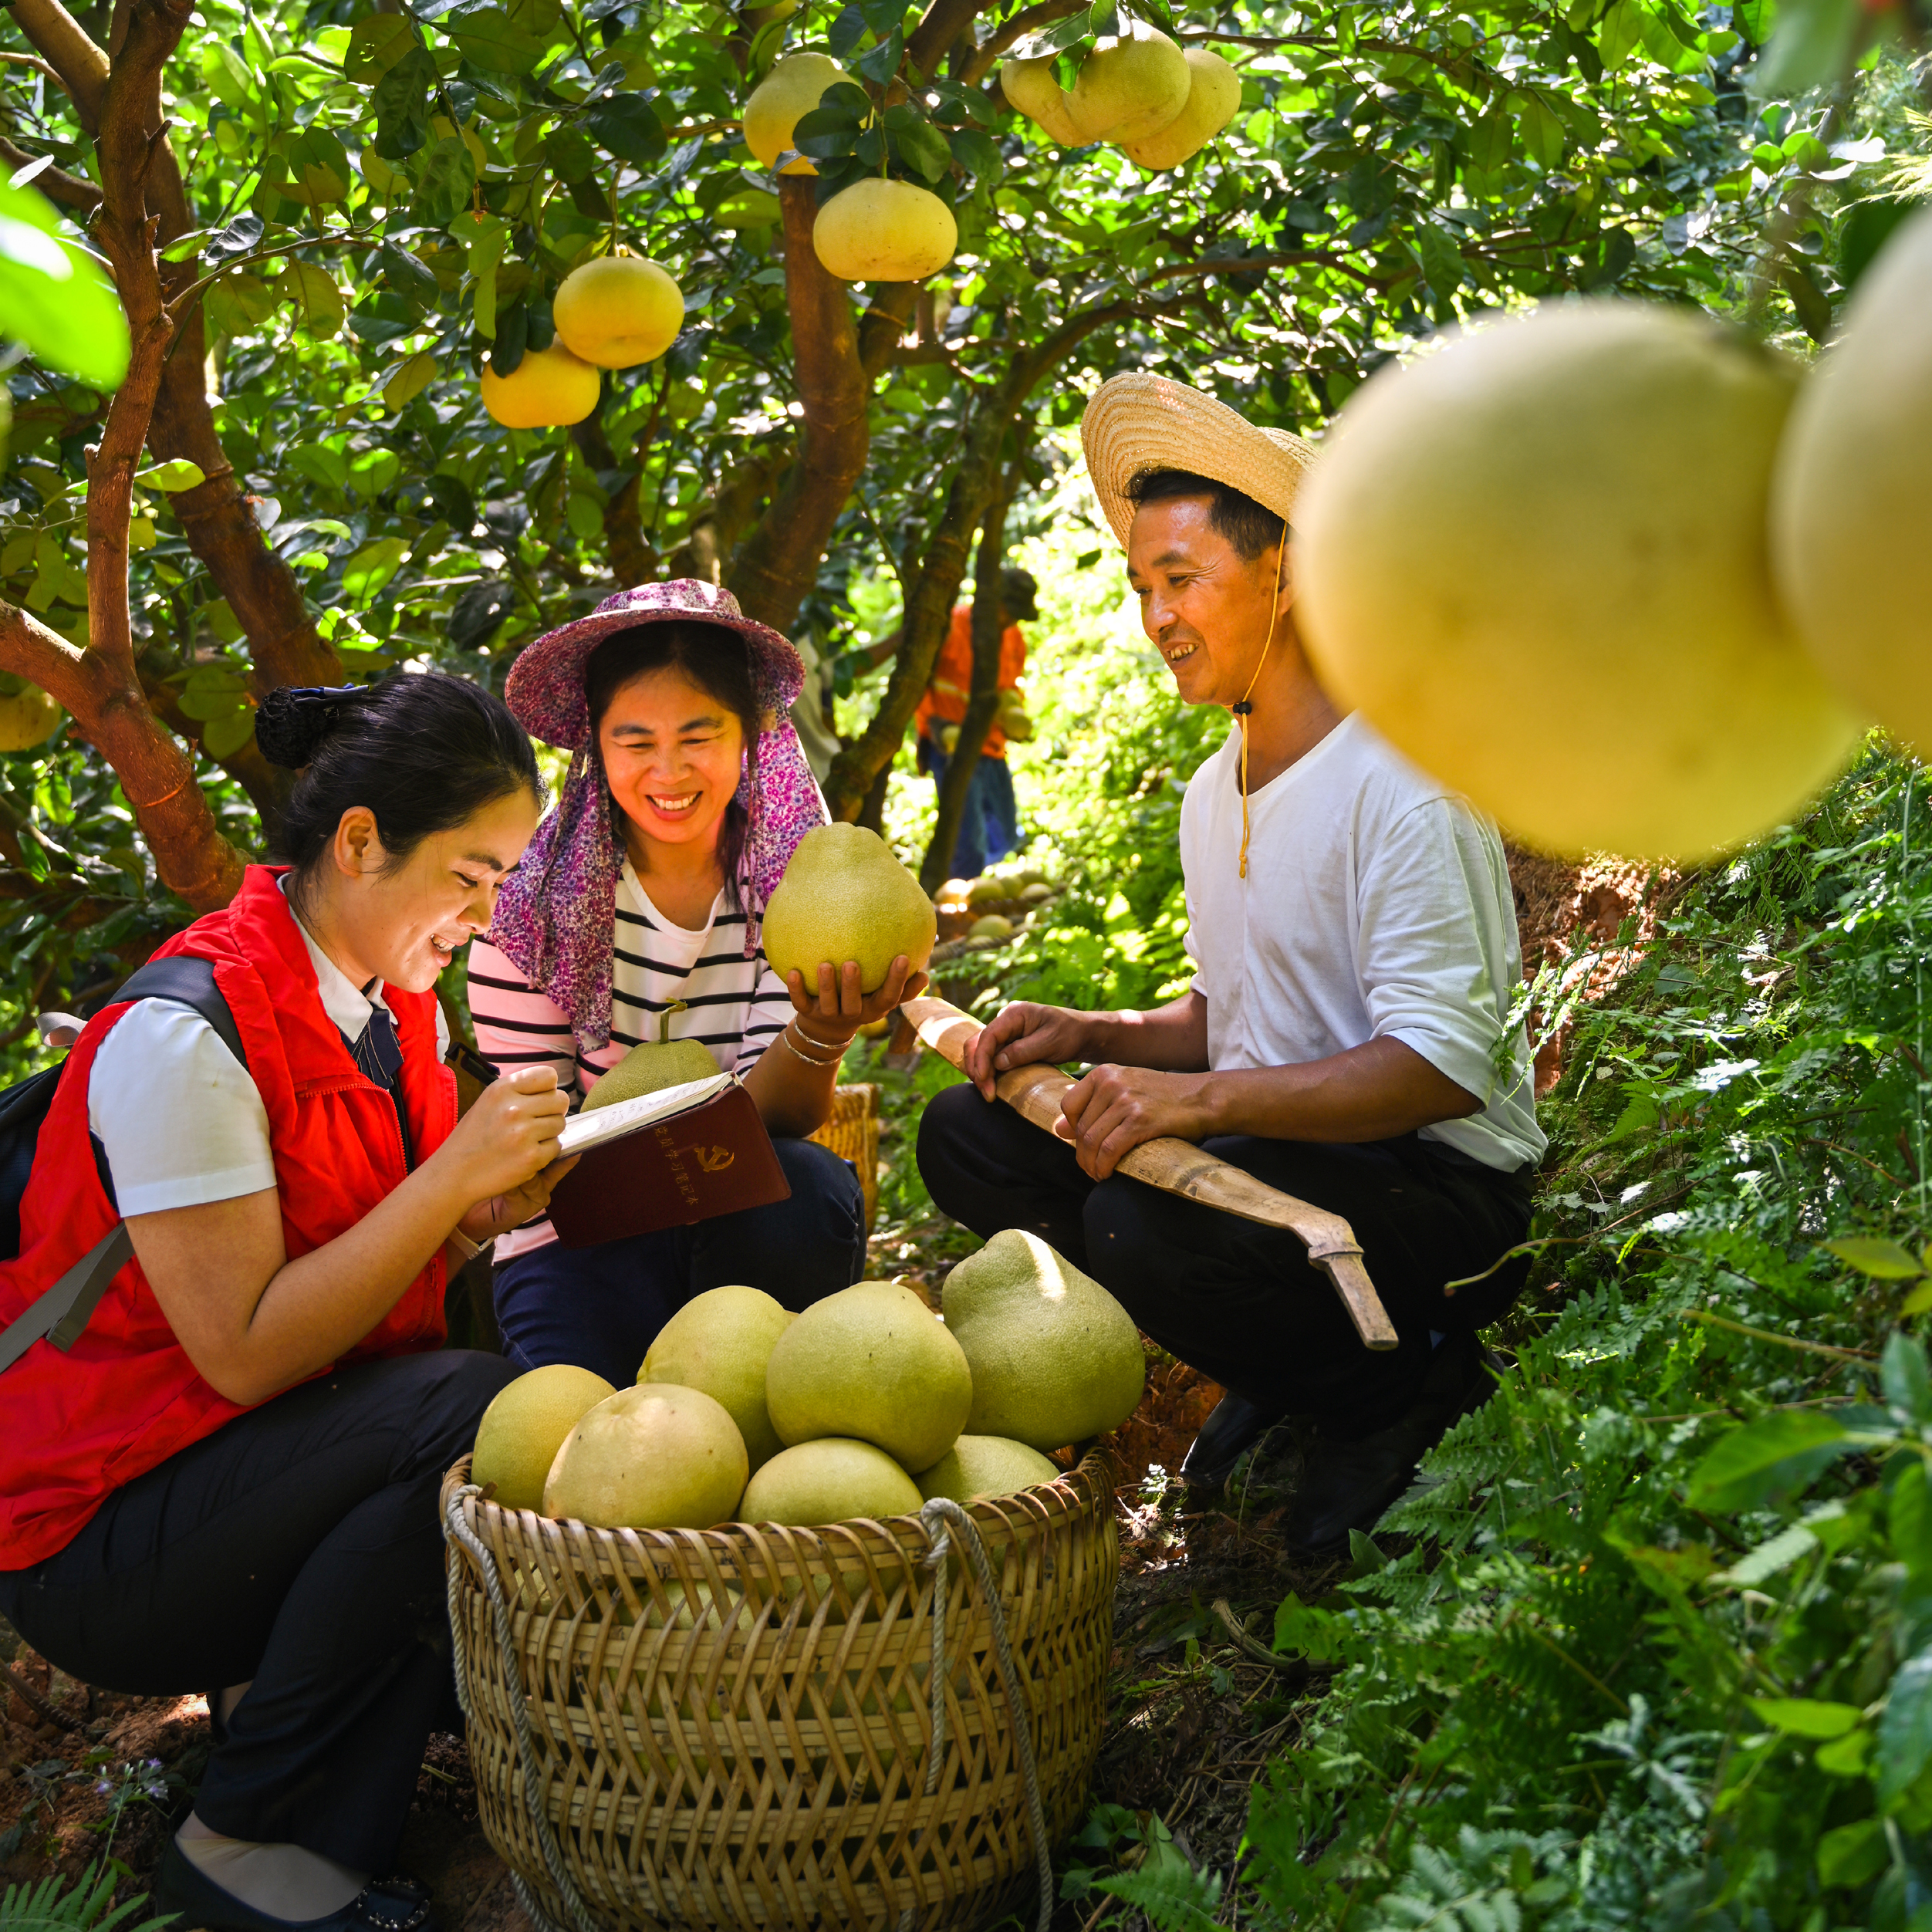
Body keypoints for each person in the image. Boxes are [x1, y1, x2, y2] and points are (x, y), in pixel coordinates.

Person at [917, 373, 1545, 1552]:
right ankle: (1293, 1354)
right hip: (1282, 1151)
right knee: (967, 1133)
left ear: (1286, 575)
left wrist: (1192, 1105)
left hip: (1437, 1195)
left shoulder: (1401, 784)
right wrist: (1099, 1038)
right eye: (1143, 586)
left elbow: (1438, 1069)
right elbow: (1232, 1016)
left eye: (1183, 578)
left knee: (1140, 1225)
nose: (1157, 615)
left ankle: (1396, 1386)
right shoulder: (1218, 791)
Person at [0, 675, 573, 1932]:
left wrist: (478, 1207)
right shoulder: (186, 1034)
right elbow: (248, 1350)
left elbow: (366, 1259)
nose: (482, 918)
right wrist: (446, 1185)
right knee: (474, 1411)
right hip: (99, 1538)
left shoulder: (387, 1008)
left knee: (485, 1407)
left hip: (229, 1475)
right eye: (468, 877)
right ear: (361, 839)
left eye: (501, 885)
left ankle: (303, 1768)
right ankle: (244, 1839)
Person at [469, 579, 925, 1389]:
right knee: (583, 1436)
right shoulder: (531, 909)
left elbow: (781, 1118)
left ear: (747, 735)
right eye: (634, 740)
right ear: (595, 745)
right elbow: (532, 1144)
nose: (668, 770)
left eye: (698, 734)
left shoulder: (793, 887)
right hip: (576, 1228)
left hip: (737, 1199)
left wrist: (820, 1032)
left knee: (809, 1184)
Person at [846, 566, 1039, 879]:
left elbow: (1009, 690)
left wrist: (1014, 716)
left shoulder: (1014, 638)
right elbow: (919, 681)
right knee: (967, 838)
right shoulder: (950, 626)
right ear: (990, 601)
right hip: (950, 745)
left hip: (990, 747)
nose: (1010, 620)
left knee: (1005, 834)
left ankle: (977, 890)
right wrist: (933, 725)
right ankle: (959, 899)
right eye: (1008, 611)